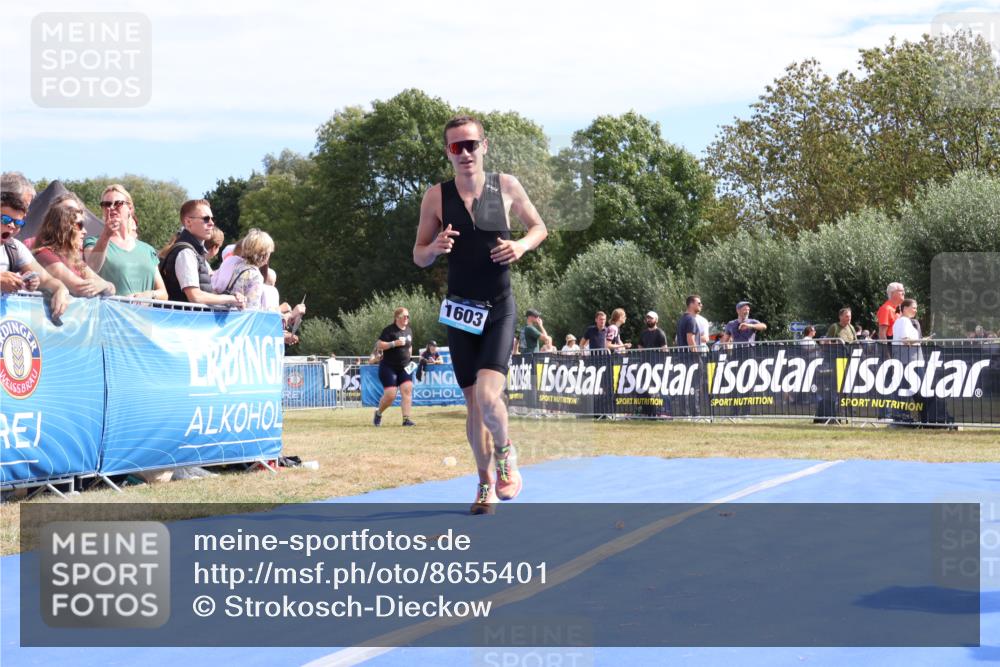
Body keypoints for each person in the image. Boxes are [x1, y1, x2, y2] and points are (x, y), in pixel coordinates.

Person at [413, 114, 547, 514]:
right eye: (457, 146)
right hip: (459, 312)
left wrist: (521, 245)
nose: (465, 153)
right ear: (448, 152)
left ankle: (506, 455)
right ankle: (484, 483)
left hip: (499, 308)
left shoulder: (505, 186)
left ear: (484, 146)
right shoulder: (435, 197)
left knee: (490, 398)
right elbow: (418, 255)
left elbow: (539, 227)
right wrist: (434, 247)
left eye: (471, 144)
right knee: (474, 406)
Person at [83, 184, 167, 299]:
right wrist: (106, 235)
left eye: (118, 203)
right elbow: (92, 268)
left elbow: (164, 294)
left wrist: (149, 295)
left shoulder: (147, 250)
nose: (111, 207)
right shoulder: (93, 241)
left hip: (145, 315)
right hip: (110, 315)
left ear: (130, 208)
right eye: (106, 204)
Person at [159, 200, 244, 308]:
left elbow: (203, 292)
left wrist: (228, 296)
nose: (211, 223)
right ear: (188, 222)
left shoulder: (193, 252)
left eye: (212, 219)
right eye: (205, 219)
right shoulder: (186, 253)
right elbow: (195, 297)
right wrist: (231, 299)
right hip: (184, 322)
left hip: (189, 320)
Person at [1, 191, 70, 319]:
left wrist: (61, 289)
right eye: (5, 219)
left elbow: (48, 280)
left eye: (18, 223)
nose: (11, 226)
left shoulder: (15, 247)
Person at [32, 193, 116, 298]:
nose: (85, 231)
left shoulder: (74, 259)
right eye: (79, 225)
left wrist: (104, 284)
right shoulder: (44, 254)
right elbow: (81, 289)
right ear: (63, 227)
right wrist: (104, 285)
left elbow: (112, 289)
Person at [373, 307, 416, 427]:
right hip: (388, 367)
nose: (407, 318)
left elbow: (410, 346)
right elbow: (379, 345)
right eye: (404, 316)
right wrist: (393, 344)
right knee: (391, 395)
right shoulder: (389, 330)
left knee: (407, 390)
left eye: (408, 316)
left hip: (405, 367)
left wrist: (410, 359)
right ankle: (378, 413)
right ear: (397, 318)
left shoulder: (409, 330)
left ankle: (406, 419)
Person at [220, 229, 274, 310]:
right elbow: (252, 307)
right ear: (264, 255)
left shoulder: (238, 266)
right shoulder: (256, 276)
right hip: (242, 319)